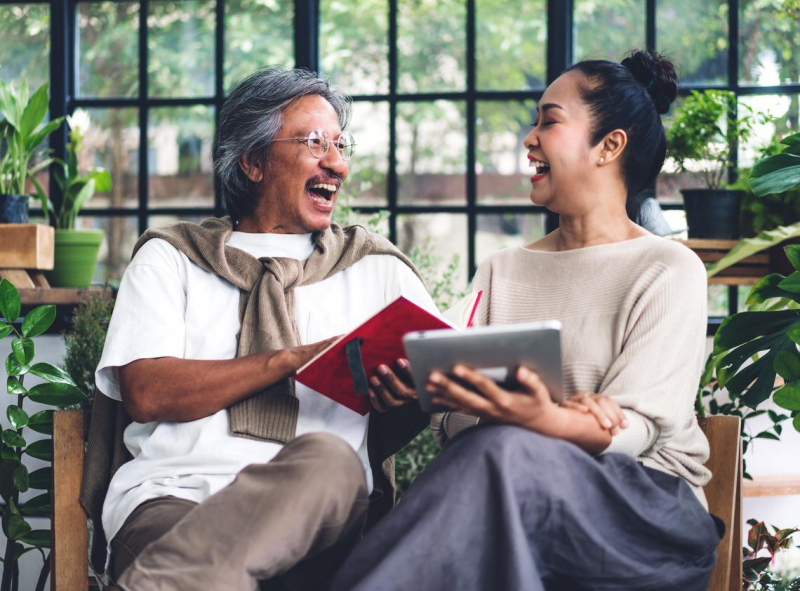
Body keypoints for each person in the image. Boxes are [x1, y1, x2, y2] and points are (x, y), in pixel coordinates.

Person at [330, 50, 724, 591]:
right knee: (493, 452)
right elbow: (454, 423)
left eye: (549, 120)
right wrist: (416, 385)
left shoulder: (668, 268)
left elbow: (633, 435)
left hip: (643, 517)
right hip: (507, 486)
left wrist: (537, 419)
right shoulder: (502, 270)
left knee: (503, 448)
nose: (529, 137)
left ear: (610, 145)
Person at [89, 67, 436, 590]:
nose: (337, 163)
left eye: (341, 144)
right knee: (203, 557)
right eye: (315, 142)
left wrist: (408, 393)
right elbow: (147, 392)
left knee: (330, 460)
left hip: (320, 523)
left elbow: (446, 383)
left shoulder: (378, 269)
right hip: (175, 503)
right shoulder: (170, 258)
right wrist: (286, 360)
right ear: (252, 161)